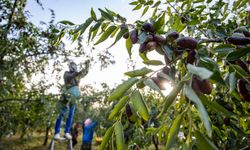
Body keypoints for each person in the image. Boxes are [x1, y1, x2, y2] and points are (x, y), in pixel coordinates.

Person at [54, 60, 90, 140]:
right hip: (66, 96)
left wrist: (87, 65)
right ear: (70, 67)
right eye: (71, 65)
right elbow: (71, 76)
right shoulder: (67, 73)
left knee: (71, 114)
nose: (73, 67)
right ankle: (56, 133)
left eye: (74, 65)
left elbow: (84, 73)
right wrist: (78, 72)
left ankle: (66, 132)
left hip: (74, 98)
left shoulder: (77, 75)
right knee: (61, 113)